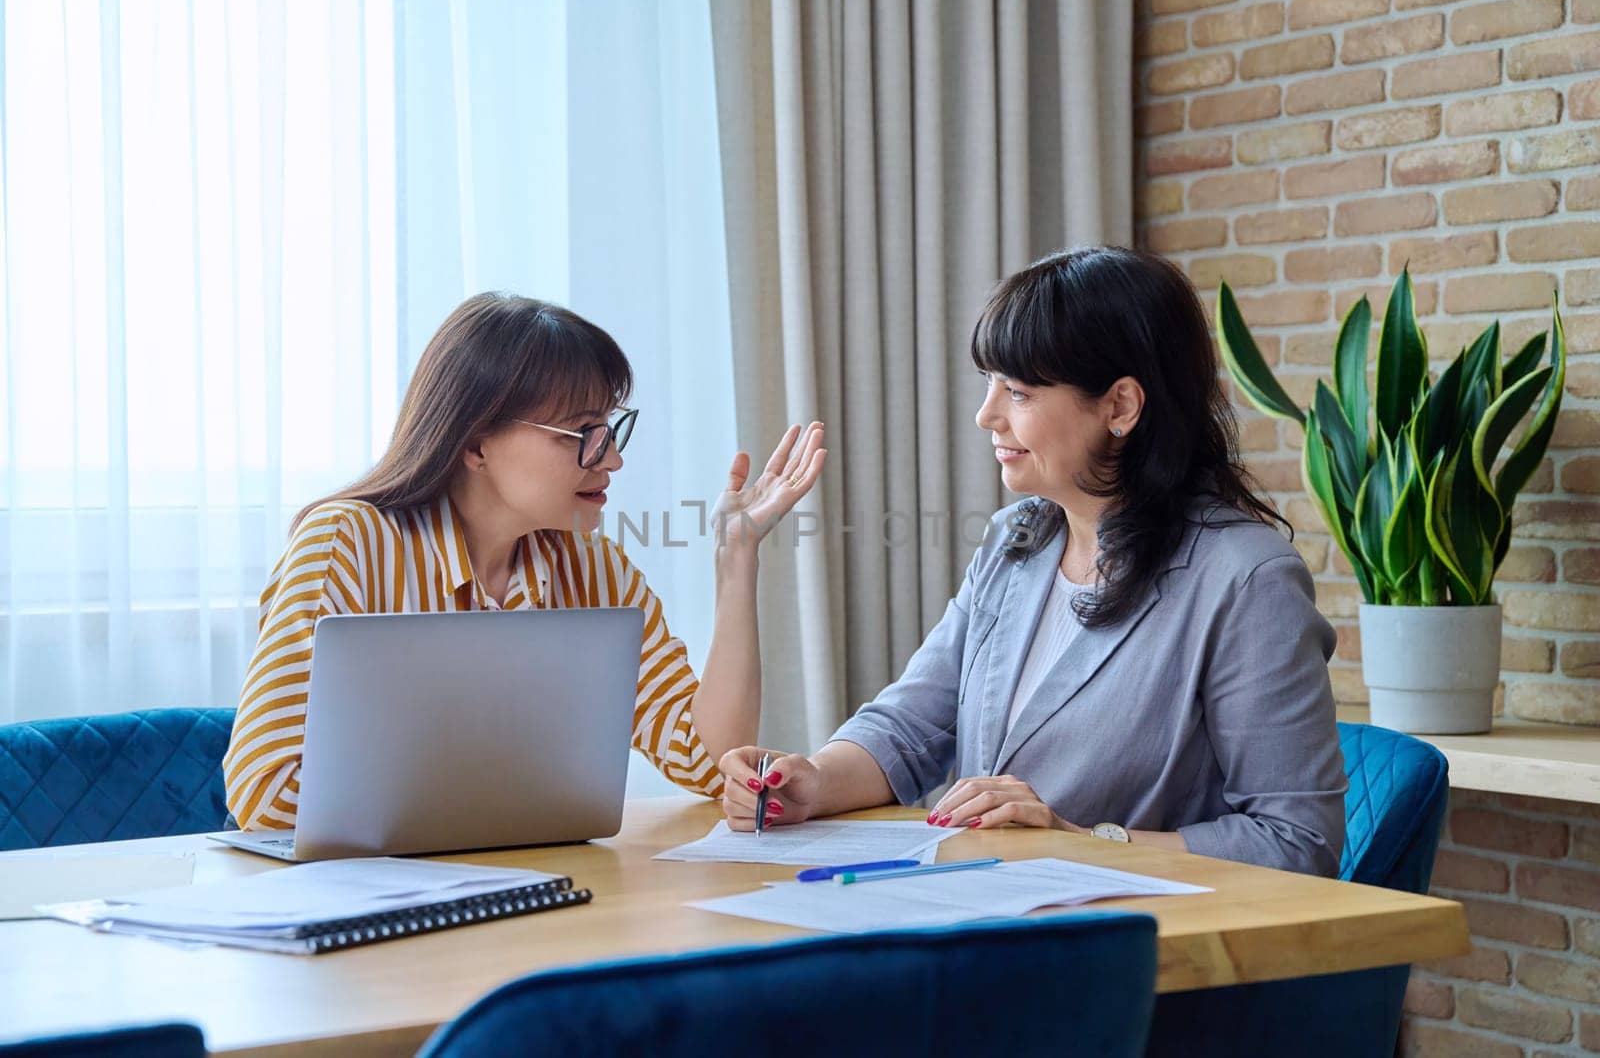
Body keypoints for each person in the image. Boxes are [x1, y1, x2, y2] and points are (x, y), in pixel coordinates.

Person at [718, 246, 1346, 876]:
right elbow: (913, 726)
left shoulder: (1246, 579)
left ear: (1120, 407)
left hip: (1137, 947)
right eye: (989, 385)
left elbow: (1296, 841)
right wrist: (811, 782)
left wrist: (1077, 838)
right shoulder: (1016, 539)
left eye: (1017, 391)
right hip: (990, 922)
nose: (986, 415)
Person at [223, 292, 825, 830]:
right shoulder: (347, 545)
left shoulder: (591, 567)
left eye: (612, 429)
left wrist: (736, 556)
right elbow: (264, 792)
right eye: (584, 432)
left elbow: (706, 758)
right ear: (476, 443)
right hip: (362, 905)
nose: (611, 459)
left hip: (527, 885)